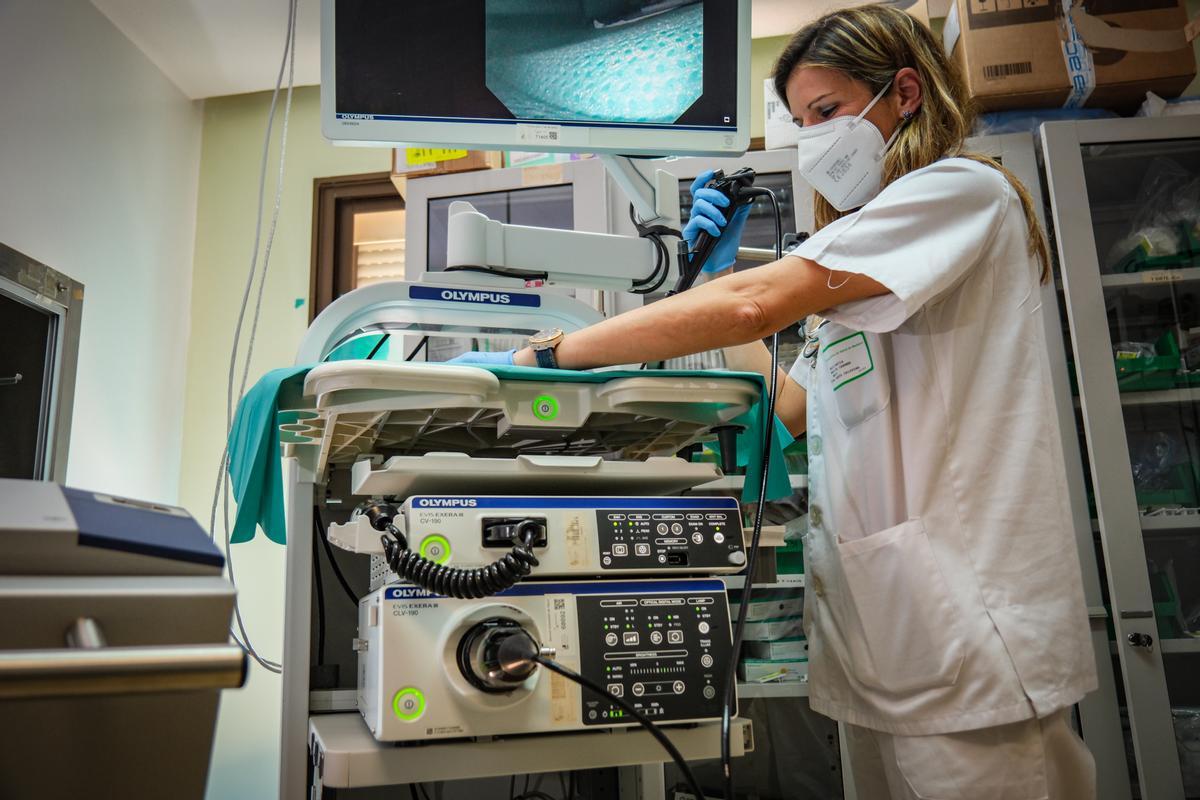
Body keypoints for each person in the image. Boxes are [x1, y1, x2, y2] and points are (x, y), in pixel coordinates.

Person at [453, 6, 1098, 798]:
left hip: (975, 641)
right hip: (887, 645)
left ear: (903, 92)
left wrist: (546, 357)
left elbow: (763, 306)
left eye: (826, 112)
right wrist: (721, 280)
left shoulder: (960, 193)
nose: (815, 137)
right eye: (800, 122)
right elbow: (784, 407)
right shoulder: (866, 260)